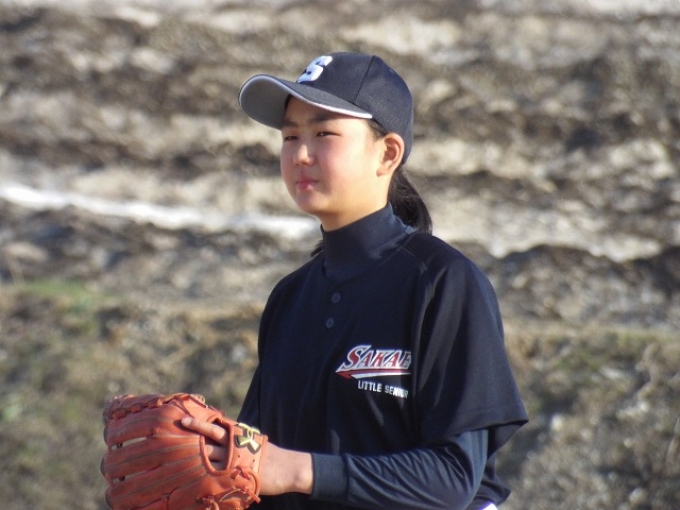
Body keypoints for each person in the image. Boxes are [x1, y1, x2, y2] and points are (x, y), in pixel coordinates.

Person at [183, 51, 528, 510]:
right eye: (290, 136)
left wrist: (298, 471)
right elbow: (258, 469)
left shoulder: (442, 284)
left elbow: (454, 478)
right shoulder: (290, 298)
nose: (300, 154)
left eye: (324, 133)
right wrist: (205, 466)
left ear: (387, 153)